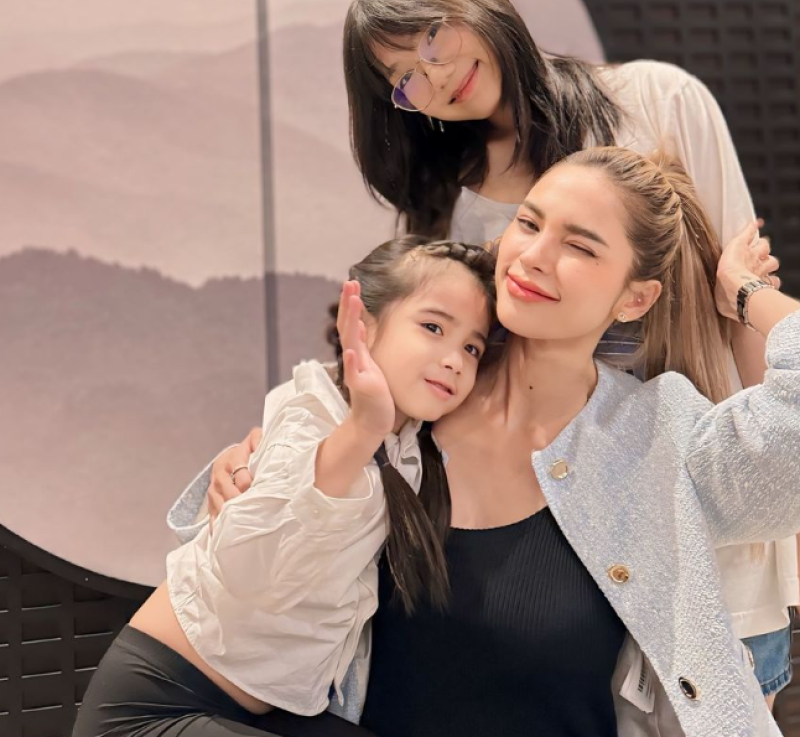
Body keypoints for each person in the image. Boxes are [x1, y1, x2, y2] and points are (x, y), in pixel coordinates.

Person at [177, 146, 800, 737]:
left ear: (635, 298)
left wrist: (746, 293)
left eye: (578, 246)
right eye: (528, 223)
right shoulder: (413, 394)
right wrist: (275, 472)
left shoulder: (659, 437)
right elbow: (246, 573)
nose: (534, 255)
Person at [339, 0, 796, 701]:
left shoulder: (659, 101)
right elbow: (423, 376)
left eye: (431, 35)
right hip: (571, 566)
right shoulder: (451, 209)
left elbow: (739, 303)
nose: (436, 73)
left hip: (709, 544)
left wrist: (777, 516)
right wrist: (292, 445)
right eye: (404, 78)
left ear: (472, 1)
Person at [71, 238, 498, 737]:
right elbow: (250, 571)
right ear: (362, 325)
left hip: (261, 712)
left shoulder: (407, 445)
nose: (454, 360)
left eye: (471, 347)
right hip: (151, 708)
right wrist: (362, 430)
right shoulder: (310, 419)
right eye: (433, 328)